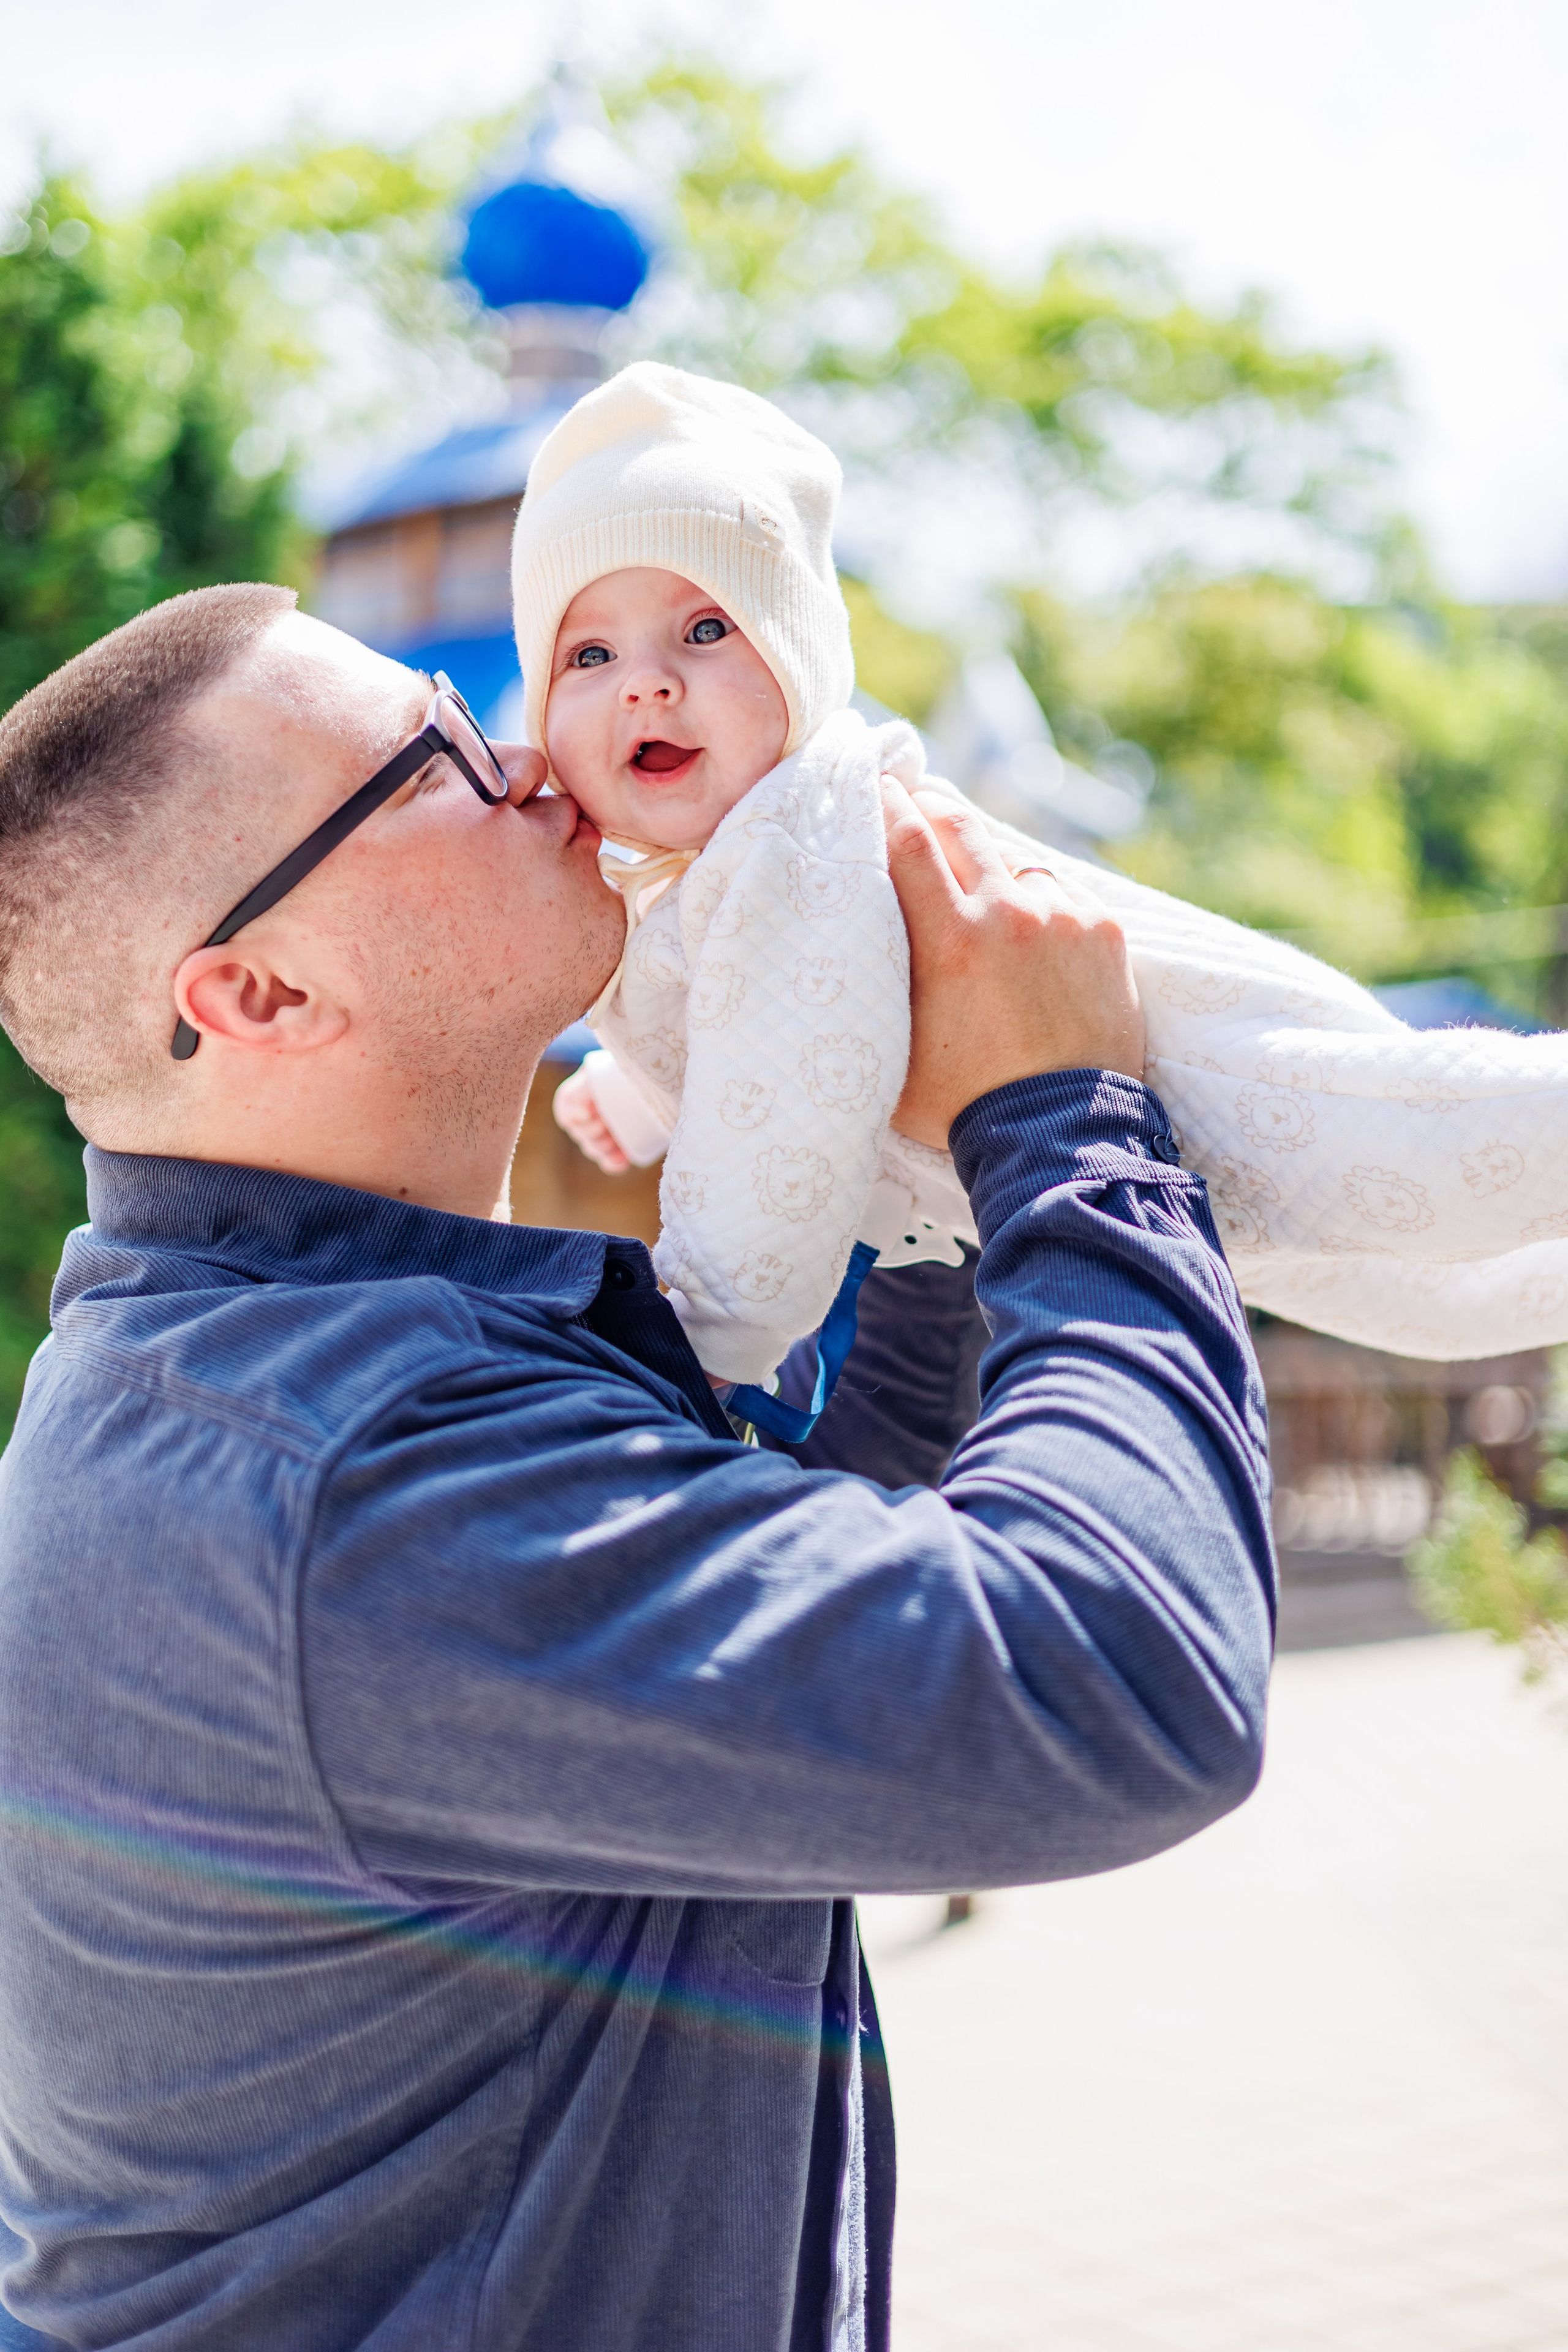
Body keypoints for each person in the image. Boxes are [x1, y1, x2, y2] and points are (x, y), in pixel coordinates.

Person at [0, 582, 1273, 2350]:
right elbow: (1116, 1686)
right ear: (260, 987)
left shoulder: (271, 1355)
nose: (531, 755)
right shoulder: (351, 1478)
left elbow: (836, 1510)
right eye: (434, 753)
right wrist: (1066, 1123)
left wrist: (905, 1143)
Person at [540, 364, 1568, 1381]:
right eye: (589, 656)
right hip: (1135, 1143)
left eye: (706, 630)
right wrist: (635, 1089)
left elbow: (786, 1082)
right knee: (1433, 1298)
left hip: (1199, 1064)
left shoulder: (794, 824)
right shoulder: (688, 877)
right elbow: (738, 1026)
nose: (649, 684)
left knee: (1452, 1143)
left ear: (800, 662)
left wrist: (714, 1327)